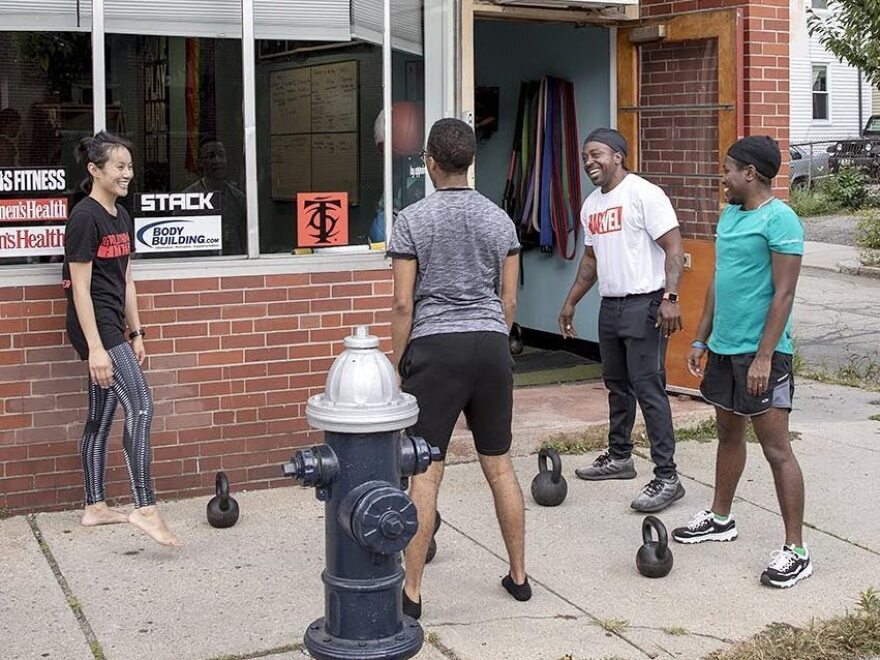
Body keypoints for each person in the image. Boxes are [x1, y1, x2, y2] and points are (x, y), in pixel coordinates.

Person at [387, 118, 529, 620]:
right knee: (500, 464)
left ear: (428, 161)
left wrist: (398, 362)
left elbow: (404, 304)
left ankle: (413, 593)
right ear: (471, 161)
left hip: (436, 348)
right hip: (490, 345)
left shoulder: (412, 219)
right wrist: (493, 335)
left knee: (425, 474)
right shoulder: (499, 220)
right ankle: (518, 576)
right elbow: (509, 299)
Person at [673, 136, 811, 588]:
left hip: (763, 352)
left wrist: (765, 357)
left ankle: (796, 550)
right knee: (728, 436)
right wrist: (701, 338)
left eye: (729, 169)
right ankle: (720, 518)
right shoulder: (731, 215)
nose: (723, 177)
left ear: (750, 173)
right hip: (726, 347)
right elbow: (720, 279)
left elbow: (784, 293)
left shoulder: (781, 220)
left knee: (776, 448)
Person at [558, 128, 686, 513]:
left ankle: (668, 477)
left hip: (645, 303)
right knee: (616, 385)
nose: (589, 163)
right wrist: (570, 303)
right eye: (584, 157)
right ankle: (620, 457)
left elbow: (674, 247)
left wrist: (671, 297)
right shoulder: (592, 204)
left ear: (618, 156)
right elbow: (591, 261)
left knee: (648, 388)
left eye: (595, 154)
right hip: (610, 305)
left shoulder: (645, 194)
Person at [62, 131, 179, 547]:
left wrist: (138, 331)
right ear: (94, 170)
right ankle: (145, 508)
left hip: (115, 324)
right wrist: (96, 347)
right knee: (142, 407)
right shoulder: (84, 218)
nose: (127, 173)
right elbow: (79, 288)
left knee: (102, 415)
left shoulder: (122, 216)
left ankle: (94, 506)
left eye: (130, 166)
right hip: (95, 326)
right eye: (119, 166)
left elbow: (126, 278)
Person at [184, 139, 247, 256]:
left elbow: (245, 237)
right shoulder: (187, 198)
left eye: (221, 155)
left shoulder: (238, 198)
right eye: (211, 156)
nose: (217, 161)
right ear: (201, 162)